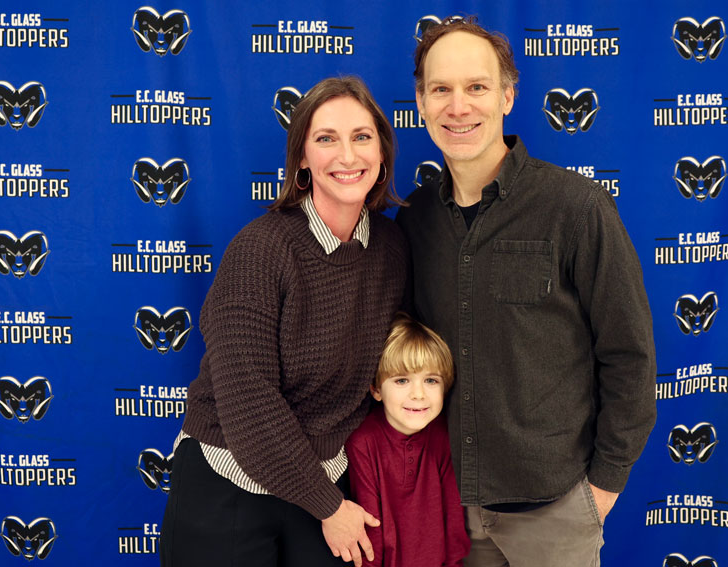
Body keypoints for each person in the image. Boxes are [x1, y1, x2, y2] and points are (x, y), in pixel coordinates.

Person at [395, 17, 657, 566]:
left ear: (508, 97)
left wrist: (601, 489)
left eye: (477, 87)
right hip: (445, 508)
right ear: (420, 103)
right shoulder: (415, 218)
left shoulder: (576, 208)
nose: (458, 106)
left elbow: (628, 354)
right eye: (440, 89)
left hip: (556, 511)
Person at [160, 76, 408, 567]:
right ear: (301, 160)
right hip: (228, 478)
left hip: (324, 485)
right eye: (325, 138)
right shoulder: (261, 248)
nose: (347, 154)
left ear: (382, 154)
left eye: (362, 137)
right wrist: (330, 506)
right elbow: (247, 401)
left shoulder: (392, 250)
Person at [346, 313, 470, 567]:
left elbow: (454, 522)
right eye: (402, 380)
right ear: (376, 389)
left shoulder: (443, 436)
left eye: (431, 380)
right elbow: (371, 530)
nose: (418, 394)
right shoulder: (363, 441)